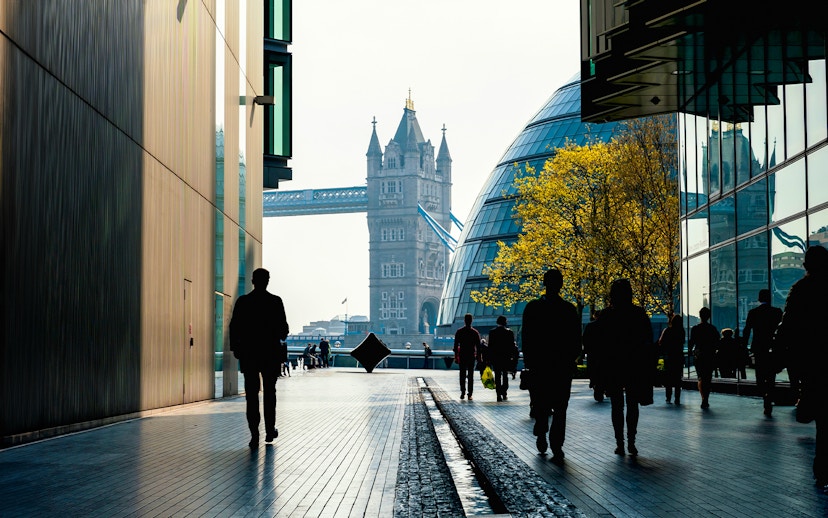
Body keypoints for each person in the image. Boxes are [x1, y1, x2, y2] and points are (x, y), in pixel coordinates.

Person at [775, 245, 828, 492]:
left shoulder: (801, 290)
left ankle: (822, 468)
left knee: (822, 419)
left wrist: (782, 357)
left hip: (814, 364)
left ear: (806, 265)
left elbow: (787, 328)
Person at [521, 268, 582, 463]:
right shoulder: (569, 310)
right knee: (560, 407)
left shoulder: (533, 308)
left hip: (540, 365)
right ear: (560, 284)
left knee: (542, 403)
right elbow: (575, 339)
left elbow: (527, 337)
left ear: (544, 283)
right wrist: (572, 358)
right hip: (561, 366)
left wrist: (529, 361)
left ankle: (542, 432)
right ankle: (557, 444)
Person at [229, 268, 289, 449]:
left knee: (252, 396)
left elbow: (234, 328)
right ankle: (270, 430)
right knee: (270, 393)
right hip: (270, 355)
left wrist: (237, 349)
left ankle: (254, 434)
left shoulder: (243, 302)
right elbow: (283, 331)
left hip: (249, 355)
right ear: (267, 281)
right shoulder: (275, 302)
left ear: (252, 280)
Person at [598, 278, 653, 456]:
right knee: (632, 404)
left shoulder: (607, 315)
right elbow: (647, 341)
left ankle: (619, 442)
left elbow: (602, 344)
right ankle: (631, 441)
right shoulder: (638, 313)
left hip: (614, 365)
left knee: (616, 405)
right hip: (634, 364)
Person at [742, 289, 783, 416]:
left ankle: (765, 395)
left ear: (759, 299)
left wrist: (744, 346)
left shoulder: (753, 313)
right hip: (773, 347)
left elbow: (747, 330)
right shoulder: (777, 312)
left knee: (760, 375)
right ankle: (769, 398)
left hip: (759, 348)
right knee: (771, 376)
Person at [688, 307, 718, 409]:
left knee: (701, 377)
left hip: (699, 355)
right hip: (709, 355)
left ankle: (703, 398)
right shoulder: (712, 329)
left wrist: (690, 351)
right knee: (708, 377)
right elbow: (716, 342)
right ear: (709, 317)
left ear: (700, 316)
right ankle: (706, 398)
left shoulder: (695, 329)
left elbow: (691, 342)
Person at [487, 315, 517, 402]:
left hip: (496, 357)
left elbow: (490, 346)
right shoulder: (509, 332)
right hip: (505, 357)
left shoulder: (492, 332)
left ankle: (498, 394)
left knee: (497, 375)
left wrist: (489, 358)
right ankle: (504, 392)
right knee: (505, 374)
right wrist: (512, 356)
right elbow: (512, 346)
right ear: (505, 322)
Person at [658, 314, 685, 404]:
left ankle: (668, 397)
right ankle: (677, 398)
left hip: (669, 357)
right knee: (678, 378)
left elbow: (661, 343)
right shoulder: (681, 331)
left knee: (668, 378)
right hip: (678, 356)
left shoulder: (667, 330)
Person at [454, 313, 481, 401]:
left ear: (464, 321)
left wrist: (456, 357)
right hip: (471, 356)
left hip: (462, 355)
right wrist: (479, 357)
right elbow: (478, 347)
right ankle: (470, 394)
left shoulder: (459, 331)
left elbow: (455, 346)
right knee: (470, 375)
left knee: (462, 374)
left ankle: (462, 392)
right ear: (471, 321)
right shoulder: (475, 332)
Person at [583, 310, 606, 402]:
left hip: (593, 353)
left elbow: (585, 339)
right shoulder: (607, 327)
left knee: (593, 370)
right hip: (604, 353)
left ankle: (593, 382)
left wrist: (586, 350)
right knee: (603, 371)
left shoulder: (590, 326)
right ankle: (601, 387)